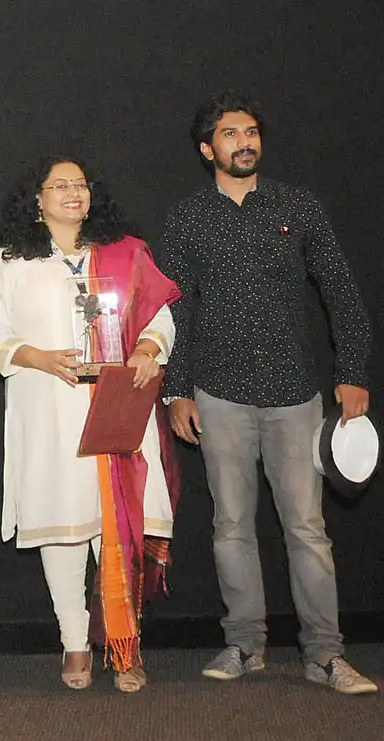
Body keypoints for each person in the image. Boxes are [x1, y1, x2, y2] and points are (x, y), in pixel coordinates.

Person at [157, 90, 376, 695]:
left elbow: (341, 291)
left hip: (295, 395)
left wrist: (352, 371)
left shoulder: (296, 206)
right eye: (230, 134)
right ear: (208, 149)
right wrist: (177, 391)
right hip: (219, 394)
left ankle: (325, 654)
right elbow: (172, 309)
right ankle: (244, 644)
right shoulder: (188, 218)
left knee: (307, 527)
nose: (244, 142)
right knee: (231, 526)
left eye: (251, 132)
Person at [0, 156, 181, 692]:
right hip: (48, 408)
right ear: (37, 198)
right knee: (64, 528)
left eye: (80, 184)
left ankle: (124, 643)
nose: (73, 192)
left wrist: (147, 346)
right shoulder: (10, 261)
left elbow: (162, 313)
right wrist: (38, 357)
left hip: (117, 407)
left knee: (117, 524)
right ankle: (74, 642)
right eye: (59, 185)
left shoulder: (125, 252)